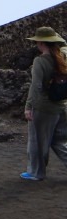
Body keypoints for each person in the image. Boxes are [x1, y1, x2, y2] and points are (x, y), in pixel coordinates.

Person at [21, 27, 67, 181]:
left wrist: (28, 107)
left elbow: (36, 87)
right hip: (61, 106)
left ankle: (36, 173)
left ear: (40, 43)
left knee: (37, 142)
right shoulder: (63, 56)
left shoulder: (40, 61)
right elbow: (64, 44)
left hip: (43, 108)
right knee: (60, 141)